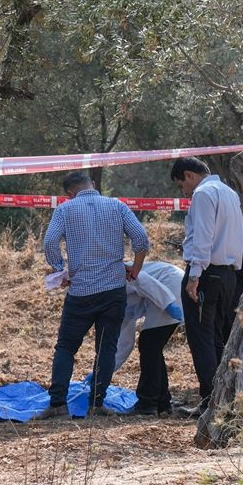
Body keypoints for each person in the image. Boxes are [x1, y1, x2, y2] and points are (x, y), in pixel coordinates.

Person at [41, 171, 150, 418]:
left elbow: (49, 242)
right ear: (93, 184)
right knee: (106, 348)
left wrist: (60, 270)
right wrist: (136, 268)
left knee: (66, 347)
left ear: (69, 193)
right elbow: (141, 238)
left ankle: (58, 403)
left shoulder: (65, 210)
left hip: (81, 291)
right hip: (113, 290)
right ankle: (97, 404)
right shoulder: (116, 206)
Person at [169, 157, 243, 414]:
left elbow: (203, 237)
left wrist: (194, 276)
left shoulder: (203, 194)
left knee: (202, 338)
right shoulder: (230, 193)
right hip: (229, 275)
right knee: (217, 337)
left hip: (206, 274)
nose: (184, 192)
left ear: (189, 175)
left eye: (182, 185)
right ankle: (222, 401)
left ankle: (210, 402)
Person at [111, 260, 185, 416]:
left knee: (150, 345)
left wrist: (167, 304)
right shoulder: (110, 308)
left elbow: (143, 280)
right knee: (150, 345)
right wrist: (102, 373)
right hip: (164, 292)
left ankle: (148, 403)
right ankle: (161, 403)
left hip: (169, 287)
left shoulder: (108, 277)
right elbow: (124, 343)